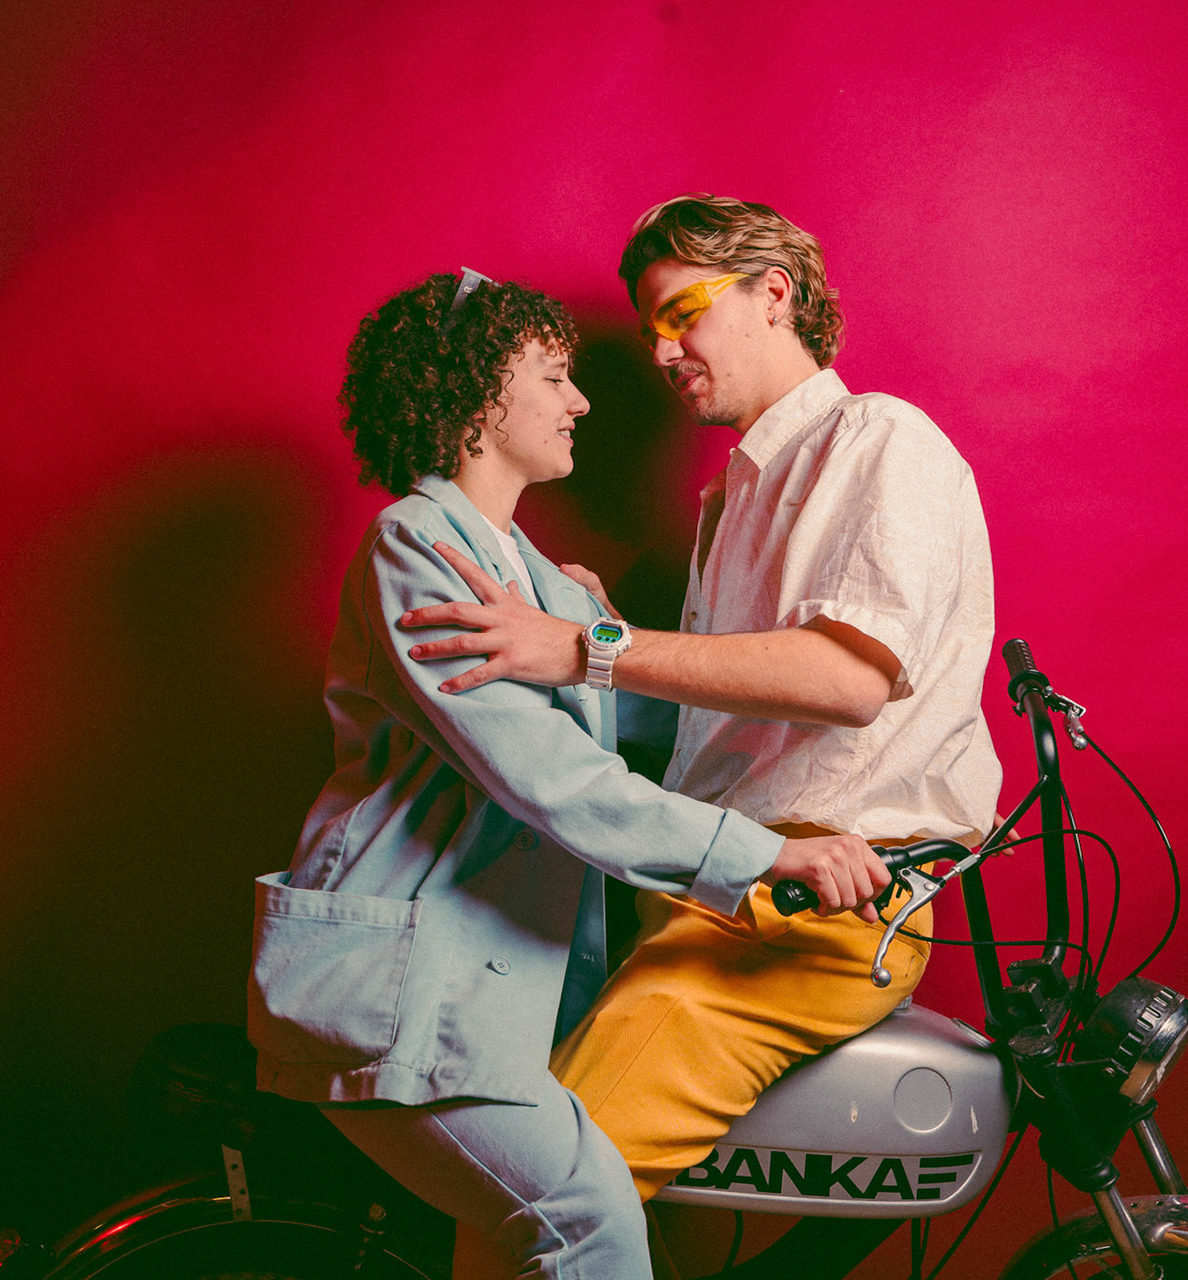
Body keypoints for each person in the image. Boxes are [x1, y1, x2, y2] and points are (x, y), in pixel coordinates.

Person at [247, 269, 891, 1279]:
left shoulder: (540, 580)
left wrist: (837, 725)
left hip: (492, 994)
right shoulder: (414, 544)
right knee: (585, 1219)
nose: (582, 401)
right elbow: (552, 774)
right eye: (554, 376)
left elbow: (653, 723)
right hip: (407, 992)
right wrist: (767, 857)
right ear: (476, 397)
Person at [401, 196, 1004, 1213]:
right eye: (651, 331)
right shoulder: (735, 496)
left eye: (683, 313)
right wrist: (583, 647)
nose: (663, 351)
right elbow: (729, 731)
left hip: (809, 916)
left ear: (775, 293)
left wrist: (589, 648)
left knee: (542, 1202)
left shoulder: (878, 438)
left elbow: (849, 681)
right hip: (713, 900)